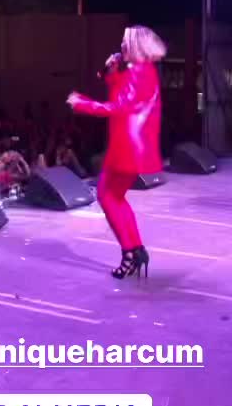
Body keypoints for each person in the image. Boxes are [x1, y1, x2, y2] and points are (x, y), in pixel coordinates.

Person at [67, 25, 167, 280]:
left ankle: (130, 253)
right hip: (132, 144)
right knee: (115, 196)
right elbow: (121, 94)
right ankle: (136, 249)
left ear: (136, 46)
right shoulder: (142, 70)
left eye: (125, 42)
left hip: (128, 146)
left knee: (107, 195)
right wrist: (110, 73)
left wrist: (82, 104)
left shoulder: (138, 72)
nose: (121, 46)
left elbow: (117, 107)